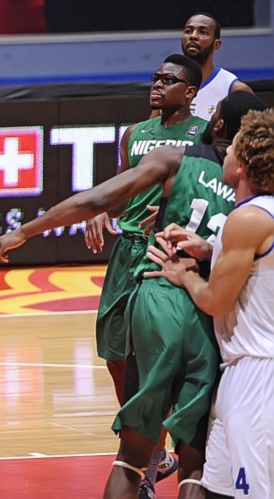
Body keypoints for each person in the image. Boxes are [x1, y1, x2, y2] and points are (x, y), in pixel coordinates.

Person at [0, 90, 269, 499]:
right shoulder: (259, 200)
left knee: (131, 456)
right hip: (213, 318)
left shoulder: (176, 157)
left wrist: (23, 231)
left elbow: (97, 199)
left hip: (161, 298)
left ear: (219, 124)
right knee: (194, 463)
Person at [83, 55, 207, 496]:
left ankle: (149, 463)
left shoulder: (203, 134)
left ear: (190, 92)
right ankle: (152, 443)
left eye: (168, 80)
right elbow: (122, 190)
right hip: (127, 249)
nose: (157, 84)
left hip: (166, 252)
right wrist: (102, 213)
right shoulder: (135, 134)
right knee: (115, 353)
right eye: (154, 78)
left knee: (162, 357)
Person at [145, 108, 274, 499]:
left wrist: (183, 274)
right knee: (215, 490)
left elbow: (216, 301)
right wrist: (207, 247)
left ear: (246, 164)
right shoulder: (257, 218)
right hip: (241, 370)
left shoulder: (248, 218)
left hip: (258, 373)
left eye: (233, 148)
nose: (226, 152)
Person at [179, 13, 253, 120]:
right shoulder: (166, 84)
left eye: (203, 32)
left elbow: (257, 132)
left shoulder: (234, 88)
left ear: (216, 44)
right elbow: (150, 131)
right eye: (188, 31)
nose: (193, 36)